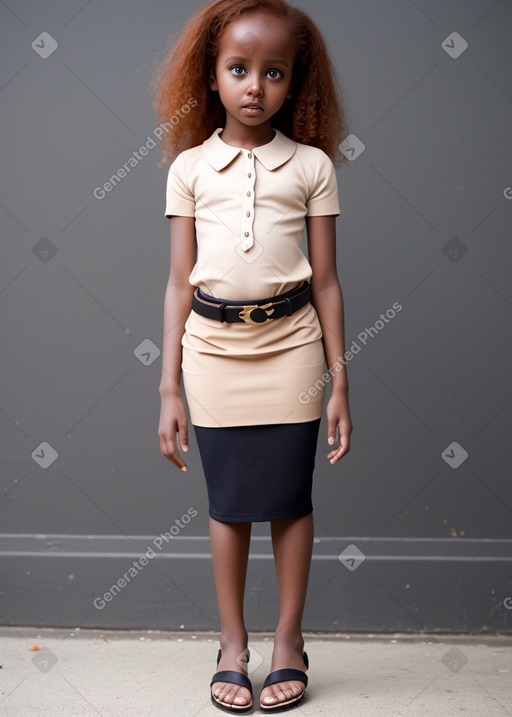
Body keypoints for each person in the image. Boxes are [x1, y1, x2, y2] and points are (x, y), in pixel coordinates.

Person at [152, 0, 353, 711]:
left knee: (290, 501)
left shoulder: (314, 166)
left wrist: (339, 383)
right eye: (239, 69)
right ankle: (231, 643)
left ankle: (288, 639)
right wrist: (168, 387)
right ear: (211, 75)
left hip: (293, 348)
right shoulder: (188, 169)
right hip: (211, 352)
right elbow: (179, 282)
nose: (254, 87)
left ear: (295, 82)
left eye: (274, 73)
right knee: (229, 503)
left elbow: (325, 281)